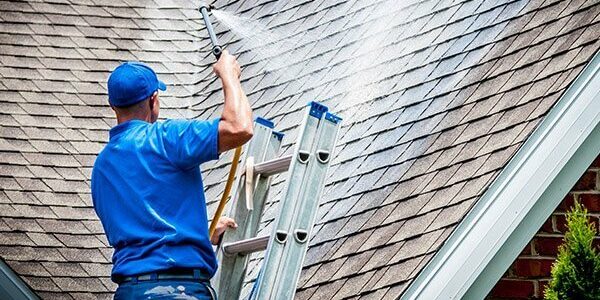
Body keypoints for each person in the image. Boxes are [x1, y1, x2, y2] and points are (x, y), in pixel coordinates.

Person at [91, 50, 252, 300]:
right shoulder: (166, 138)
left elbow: (143, 229)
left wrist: (203, 233)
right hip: (179, 293)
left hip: (129, 293)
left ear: (113, 105)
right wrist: (229, 75)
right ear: (154, 100)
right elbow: (239, 127)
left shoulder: (101, 167)